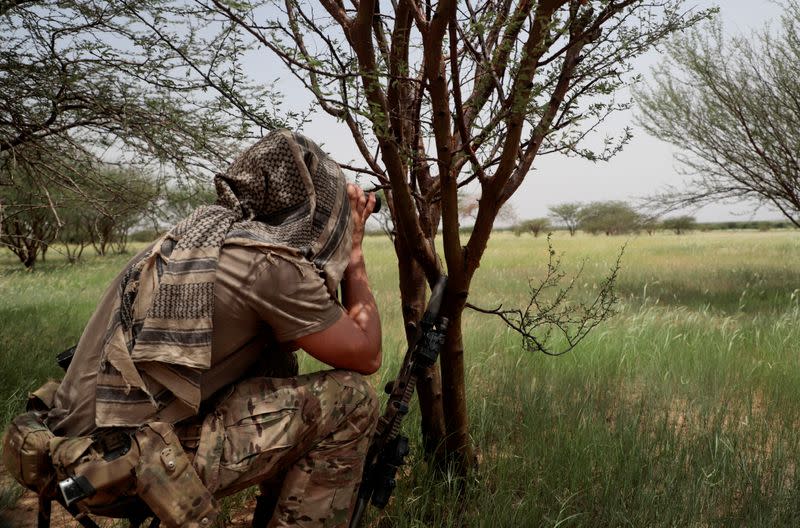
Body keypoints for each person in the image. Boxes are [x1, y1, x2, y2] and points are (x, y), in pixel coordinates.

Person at [36, 130, 382, 527]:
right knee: (354, 401)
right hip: (118, 469)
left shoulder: (196, 237)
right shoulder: (269, 266)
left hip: (64, 451)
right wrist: (354, 253)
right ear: (319, 208)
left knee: (277, 366)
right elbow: (366, 354)